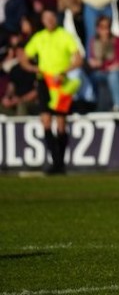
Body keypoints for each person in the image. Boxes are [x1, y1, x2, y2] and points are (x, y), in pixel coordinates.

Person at [20, 9, 83, 174]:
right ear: (42, 20)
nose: (49, 20)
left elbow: (78, 58)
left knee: (61, 124)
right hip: (44, 82)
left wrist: (63, 72)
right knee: (46, 121)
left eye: (52, 17)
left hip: (61, 83)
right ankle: (56, 163)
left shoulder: (64, 35)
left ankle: (60, 162)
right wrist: (35, 69)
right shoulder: (39, 37)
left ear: (56, 18)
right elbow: (24, 58)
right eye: (46, 18)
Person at [80, 15, 119, 112]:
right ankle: (91, 106)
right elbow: (92, 60)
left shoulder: (117, 40)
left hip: (114, 71)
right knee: (92, 77)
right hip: (100, 72)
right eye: (103, 27)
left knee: (112, 77)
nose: (106, 30)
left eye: (107, 27)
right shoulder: (93, 41)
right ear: (98, 28)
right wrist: (96, 63)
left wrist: (102, 64)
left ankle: (118, 106)